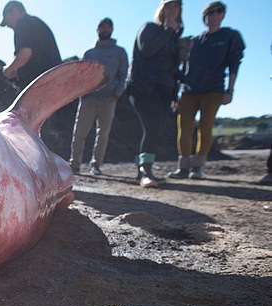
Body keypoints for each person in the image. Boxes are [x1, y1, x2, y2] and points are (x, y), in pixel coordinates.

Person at [169, 1, 245, 179]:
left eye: (218, 12)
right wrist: (175, 94)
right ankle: (183, 167)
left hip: (213, 90)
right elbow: (179, 68)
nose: (214, 15)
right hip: (189, 90)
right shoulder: (194, 41)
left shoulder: (230, 37)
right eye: (210, 13)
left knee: (205, 126)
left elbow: (234, 65)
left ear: (223, 15)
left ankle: (197, 168)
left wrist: (230, 90)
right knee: (184, 127)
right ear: (204, 17)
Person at [126, 0, 184, 188]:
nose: (173, 9)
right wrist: (167, 31)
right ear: (162, 9)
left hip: (162, 92)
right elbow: (147, 49)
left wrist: (175, 96)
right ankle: (145, 171)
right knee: (151, 128)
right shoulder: (149, 29)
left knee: (153, 129)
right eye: (169, 5)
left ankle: (142, 170)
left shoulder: (173, 39)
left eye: (176, 6)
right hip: (143, 88)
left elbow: (174, 69)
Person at [69, 18, 128, 175]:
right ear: (97, 30)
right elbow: (81, 75)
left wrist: (116, 94)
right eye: (102, 28)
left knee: (102, 133)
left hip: (108, 98)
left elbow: (123, 75)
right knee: (79, 132)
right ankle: (74, 163)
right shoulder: (89, 53)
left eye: (108, 28)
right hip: (88, 98)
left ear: (112, 30)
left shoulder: (119, 52)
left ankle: (96, 164)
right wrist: (80, 92)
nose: (105, 30)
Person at [0, 1, 61, 90]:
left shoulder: (22, 23)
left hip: (41, 86)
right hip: (56, 79)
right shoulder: (37, 23)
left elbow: (25, 54)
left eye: (7, 20)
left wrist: (8, 70)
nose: (8, 26)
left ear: (14, 11)